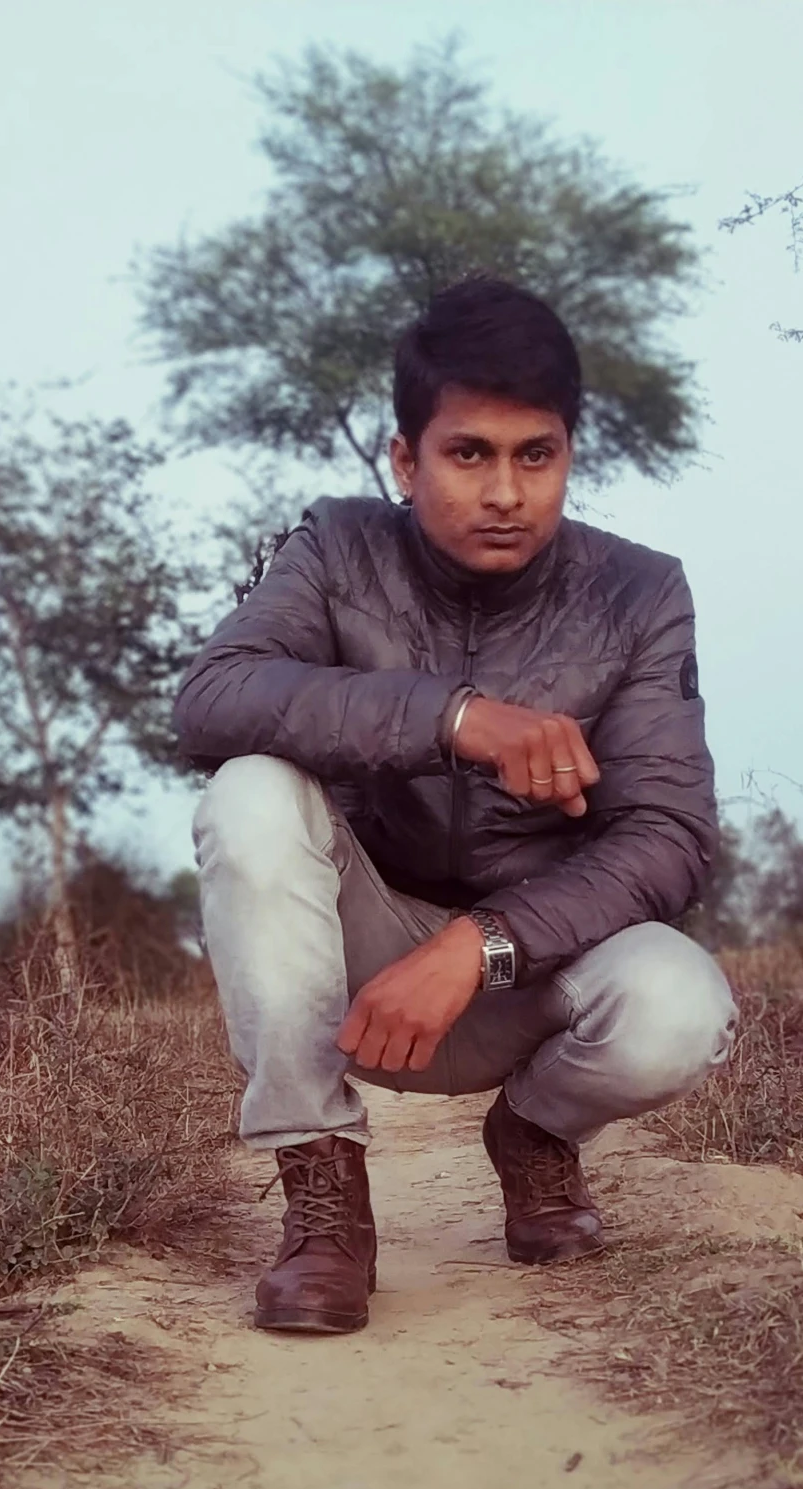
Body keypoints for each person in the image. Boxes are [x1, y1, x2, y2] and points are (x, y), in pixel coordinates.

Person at [175, 276, 736, 1335]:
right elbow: (211, 697)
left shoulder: (639, 591)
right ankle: (324, 1199)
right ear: (404, 458)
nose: (505, 492)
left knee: (679, 1005)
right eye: (467, 453)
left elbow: (670, 835)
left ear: (570, 452)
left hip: (527, 964)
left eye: (536, 455)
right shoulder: (338, 547)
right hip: (355, 964)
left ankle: (532, 1134)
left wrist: (480, 942)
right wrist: (457, 718)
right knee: (248, 793)